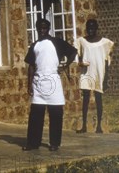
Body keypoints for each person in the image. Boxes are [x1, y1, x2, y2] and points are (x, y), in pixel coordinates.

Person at [23, 19, 77, 152]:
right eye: (39, 28)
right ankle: (33, 143)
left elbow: (73, 52)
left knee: (56, 114)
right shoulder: (34, 45)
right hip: (38, 82)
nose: (42, 31)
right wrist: (29, 84)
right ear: (36, 29)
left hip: (53, 81)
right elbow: (31, 66)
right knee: (36, 114)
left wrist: (64, 66)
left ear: (48, 28)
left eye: (44, 28)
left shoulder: (57, 42)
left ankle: (54, 143)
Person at [75, 18, 114, 134]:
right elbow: (78, 56)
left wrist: (106, 77)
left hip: (99, 72)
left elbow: (107, 60)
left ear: (97, 28)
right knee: (85, 98)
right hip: (86, 72)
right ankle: (84, 126)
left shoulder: (105, 42)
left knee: (98, 98)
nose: (90, 30)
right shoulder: (82, 41)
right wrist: (81, 63)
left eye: (93, 28)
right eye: (88, 28)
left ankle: (99, 127)